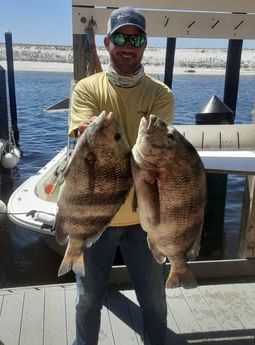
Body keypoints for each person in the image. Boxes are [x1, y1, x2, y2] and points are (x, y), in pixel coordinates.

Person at [69, 7, 175, 345]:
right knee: (87, 301)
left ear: (145, 45)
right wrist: (90, 132)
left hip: (144, 220)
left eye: (136, 38)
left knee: (155, 302)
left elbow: (155, 156)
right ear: (107, 41)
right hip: (94, 218)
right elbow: (84, 141)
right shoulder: (86, 88)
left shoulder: (160, 94)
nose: (127, 46)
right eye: (120, 37)